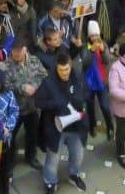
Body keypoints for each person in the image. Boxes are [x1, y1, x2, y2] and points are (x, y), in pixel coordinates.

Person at [36, 52, 89, 194]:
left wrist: (78, 101)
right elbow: (38, 102)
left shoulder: (78, 77)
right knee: (53, 157)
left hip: (76, 125)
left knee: (78, 154)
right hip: (56, 127)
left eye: (66, 69)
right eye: (61, 70)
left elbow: (86, 94)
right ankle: (50, 182)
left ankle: (74, 174)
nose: (64, 73)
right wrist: (57, 103)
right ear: (56, 68)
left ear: (71, 66)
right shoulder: (48, 82)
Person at [2, 34, 47, 170]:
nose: (16, 54)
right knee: (10, 136)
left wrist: (34, 86)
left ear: (25, 49)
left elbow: (43, 75)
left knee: (32, 135)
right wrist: (22, 88)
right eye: (13, 51)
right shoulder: (6, 65)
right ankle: (10, 160)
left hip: (32, 107)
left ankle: (31, 157)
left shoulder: (34, 60)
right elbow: (5, 86)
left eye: (19, 51)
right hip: (14, 109)